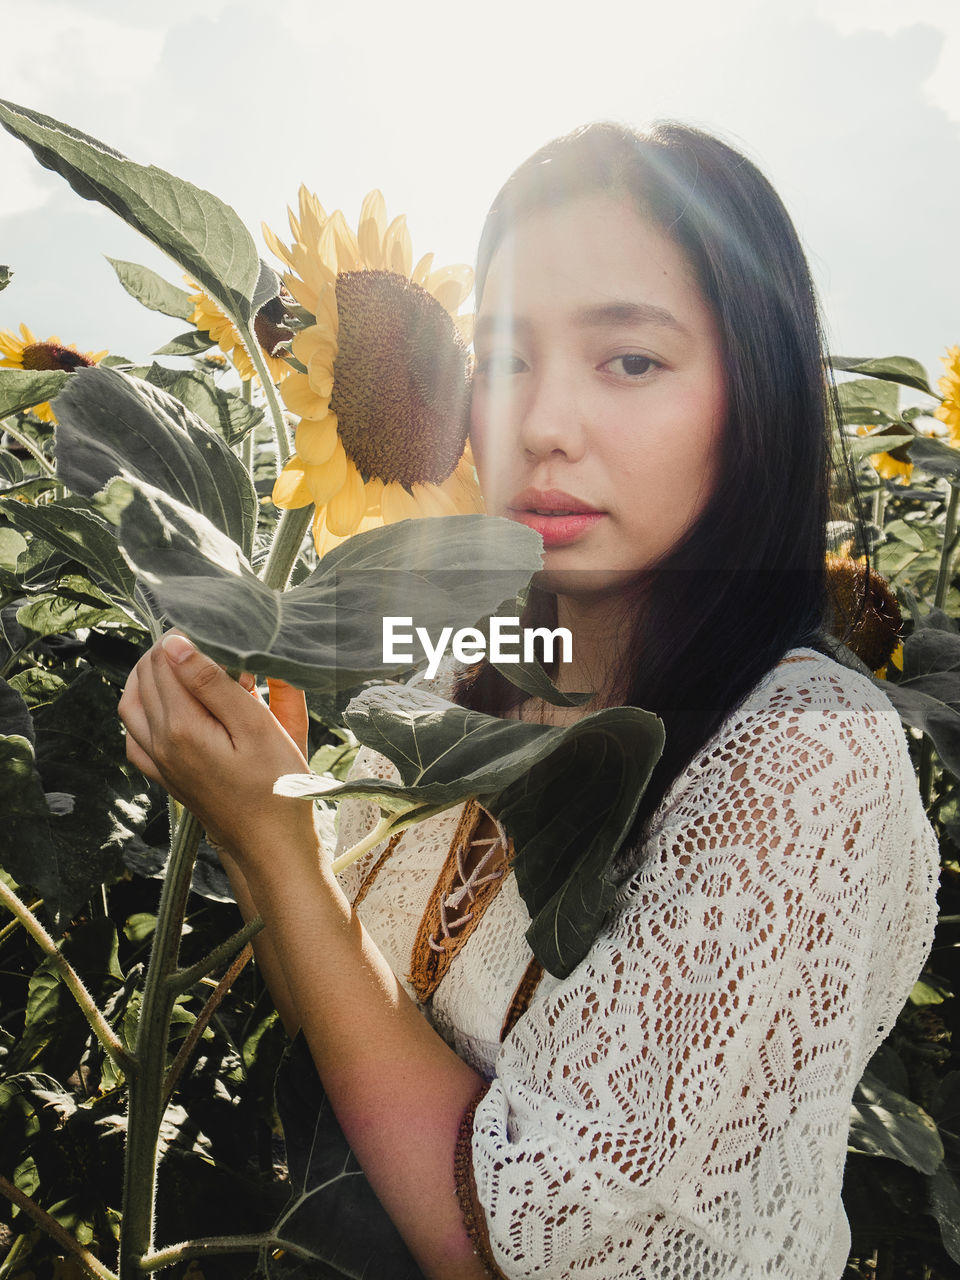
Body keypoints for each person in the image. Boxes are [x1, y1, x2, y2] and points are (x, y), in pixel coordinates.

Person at [119, 122, 940, 1279]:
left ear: (757, 392)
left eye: (630, 362)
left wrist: (280, 846)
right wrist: (258, 809)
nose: (543, 423)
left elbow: (521, 1246)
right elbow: (331, 1011)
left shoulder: (802, 757)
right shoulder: (452, 671)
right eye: (502, 359)